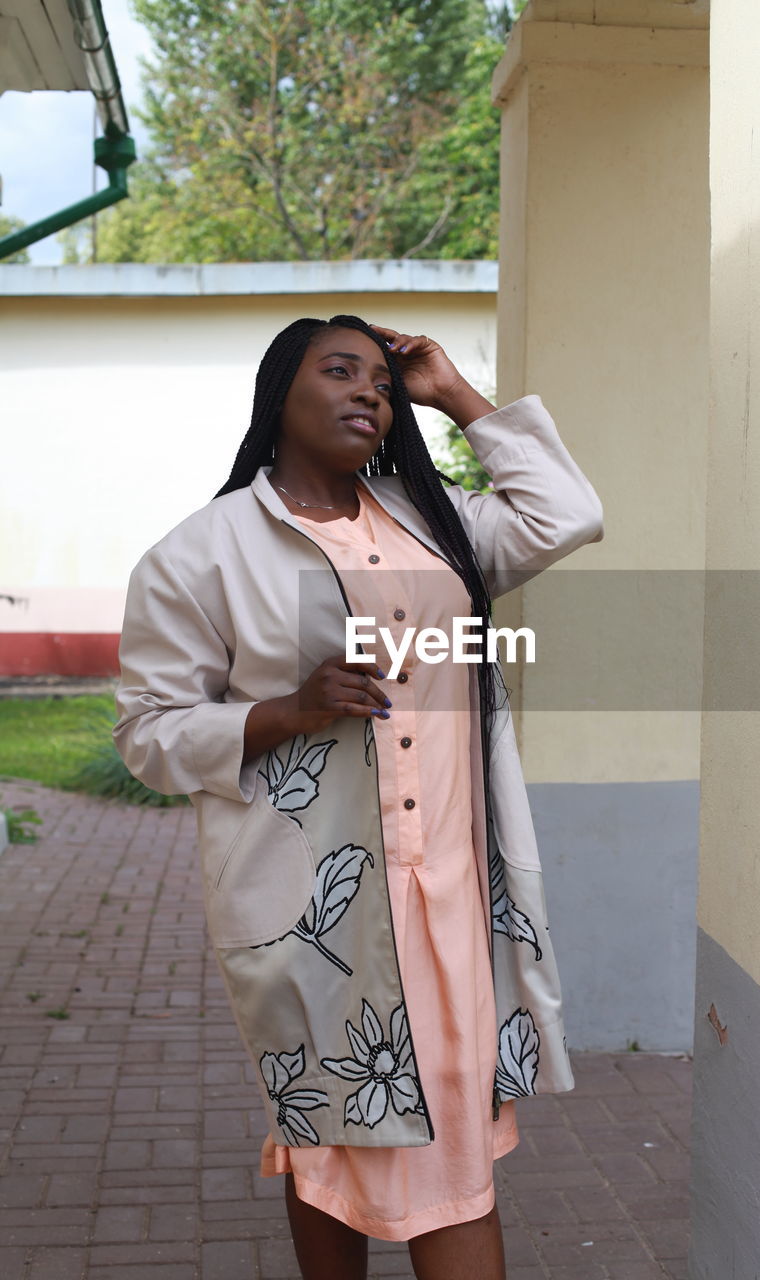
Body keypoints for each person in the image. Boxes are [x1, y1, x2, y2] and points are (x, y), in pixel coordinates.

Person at [113, 315, 604, 1280]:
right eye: (339, 371)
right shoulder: (201, 554)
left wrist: (454, 392)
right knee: (328, 1126)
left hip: (453, 891)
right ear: (277, 395)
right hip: (312, 902)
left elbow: (563, 513)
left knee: (446, 1128)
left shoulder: (432, 521)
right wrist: (283, 712)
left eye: (381, 380)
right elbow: (146, 734)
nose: (369, 392)